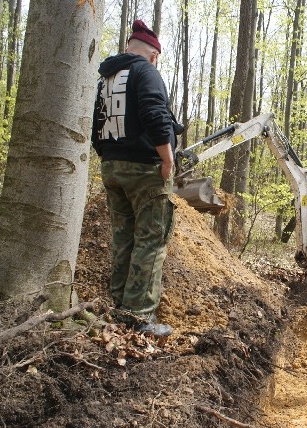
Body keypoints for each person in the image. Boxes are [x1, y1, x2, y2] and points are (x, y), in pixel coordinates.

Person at [91, 20, 176, 337]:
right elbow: (156, 114)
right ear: (153, 55)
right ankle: (138, 318)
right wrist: (167, 158)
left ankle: (118, 309)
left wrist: (107, 155)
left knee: (123, 238)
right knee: (151, 241)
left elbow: (95, 125)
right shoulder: (147, 72)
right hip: (145, 170)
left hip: (113, 167)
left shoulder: (106, 79)